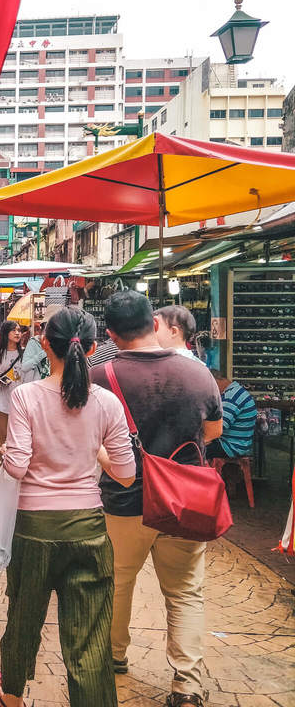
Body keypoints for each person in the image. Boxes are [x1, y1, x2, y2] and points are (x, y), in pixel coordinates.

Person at [0, 306, 135, 707]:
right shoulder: (107, 402)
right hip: (88, 530)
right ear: (92, 348)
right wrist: (95, 455)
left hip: (34, 529)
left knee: (23, 618)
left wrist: (7, 451)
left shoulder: (25, 396)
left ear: (44, 344)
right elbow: (126, 473)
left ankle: (12, 696)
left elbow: (17, 466)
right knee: (89, 639)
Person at [90, 291, 223, 707]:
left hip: (125, 500)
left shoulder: (100, 376)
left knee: (117, 581)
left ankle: (112, 657)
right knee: (185, 591)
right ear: (154, 322)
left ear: (110, 333)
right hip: (185, 500)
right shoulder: (198, 374)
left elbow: (88, 438)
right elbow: (214, 432)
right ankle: (187, 685)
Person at [0, 320, 39, 467]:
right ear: (6, 333)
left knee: (19, 436)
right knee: (2, 434)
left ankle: (15, 466)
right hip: (2, 399)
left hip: (21, 401)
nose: (17, 333)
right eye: (14, 330)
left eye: (19, 330)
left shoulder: (25, 353)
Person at [207, 369, 256, 459]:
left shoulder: (231, 397)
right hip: (236, 443)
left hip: (231, 447)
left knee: (188, 452)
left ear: (215, 381)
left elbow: (219, 427)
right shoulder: (234, 390)